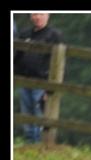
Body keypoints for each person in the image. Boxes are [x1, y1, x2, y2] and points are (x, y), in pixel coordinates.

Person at [14, 13, 63, 143]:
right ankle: (29, 143)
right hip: (25, 80)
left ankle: (39, 146)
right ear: (31, 17)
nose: (37, 17)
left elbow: (58, 62)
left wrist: (50, 87)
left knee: (40, 115)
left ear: (48, 15)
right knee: (27, 114)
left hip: (42, 82)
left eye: (41, 14)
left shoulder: (54, 35)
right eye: (34, 14)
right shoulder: (25, 34)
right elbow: (16, 56)